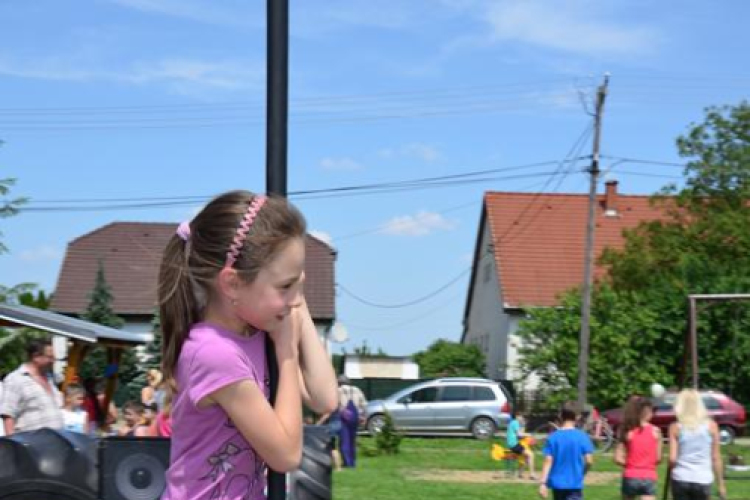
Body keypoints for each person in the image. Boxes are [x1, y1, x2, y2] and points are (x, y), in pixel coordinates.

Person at [158, 191, 338, 500]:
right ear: (232, 284)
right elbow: (285, 455)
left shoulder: (256, 333)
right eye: (284, 286)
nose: (294, 299)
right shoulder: (213, 352)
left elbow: (325, 399)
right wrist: (287, 355)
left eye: (299, 284)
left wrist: (294, 296)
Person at [669, 389, 726, 500]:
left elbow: (672, 459)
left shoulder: (675, 427)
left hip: (681, 477)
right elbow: (716, 457)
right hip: (703, 478)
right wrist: (721, 485)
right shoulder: (711, 426)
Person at [1, 339, 64, 435]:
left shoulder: (50, 378)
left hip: (56, 443)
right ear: (36, 357)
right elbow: (8, 415)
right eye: (50, 357)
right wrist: (12, 445)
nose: (53, 361)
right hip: (31, 444)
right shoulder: (15, 379)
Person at [539, 405, 595, 500]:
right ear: (577, 417)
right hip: (574, 484)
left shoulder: (553, 437)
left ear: (560, 416)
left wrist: (543, 483)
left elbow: (548, 460)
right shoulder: (582, 437)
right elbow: (589, 461)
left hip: (557, 484)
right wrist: (582, 473)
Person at [614, 397, 662, 500]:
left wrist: (630, 463)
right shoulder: (656, 431)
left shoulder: (627, 430)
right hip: (649, 474)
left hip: (630, 474)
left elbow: (617, 458)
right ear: (648, 412)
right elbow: (658, 458)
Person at [337, 375, 367, 468]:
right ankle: (353, 462)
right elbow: (364, 404)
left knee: (344, 440)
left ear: (339, 382)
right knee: (352, 440)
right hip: (355, 415)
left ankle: (347, 462)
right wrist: (363, 416)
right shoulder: (356, 389)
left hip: (344, 416)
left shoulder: (338, 390)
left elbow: (335, 404)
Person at [507, 410, 536, 479]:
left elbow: (520, 434)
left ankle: (520, 473)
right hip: (514, 444)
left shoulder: (513, 423)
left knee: (525, 456)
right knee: (531, 455)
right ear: (517, 416)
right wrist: (528, 434)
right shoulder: (515, 422)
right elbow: (519, 435)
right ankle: (532, 474)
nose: (522, 418)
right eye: (521, 417)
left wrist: (523, 426)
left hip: (513, 444)